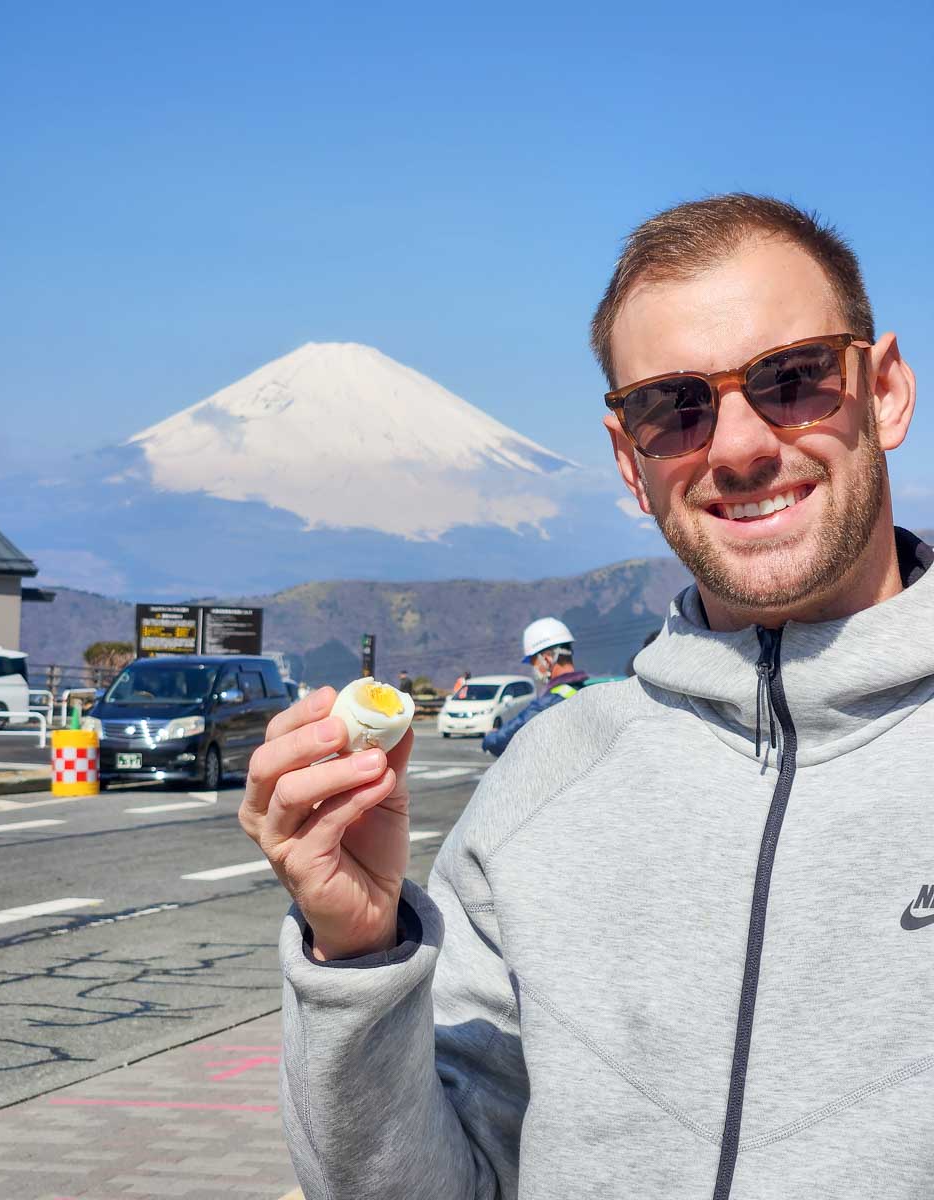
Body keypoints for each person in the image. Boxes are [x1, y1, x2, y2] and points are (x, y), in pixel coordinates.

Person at [239, 193, 932, 1198]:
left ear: (888, 391)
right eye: (675, 406)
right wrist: (357, 954)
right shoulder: (546, 781)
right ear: (628, 458)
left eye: (792, 380)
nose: (738, 445)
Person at [481, 617, 588, 756]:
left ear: (547, 659)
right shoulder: (585, 691)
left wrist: (490, 737)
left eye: (534, 662)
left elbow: (503, 740)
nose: (534, 668)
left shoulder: (550, 702)